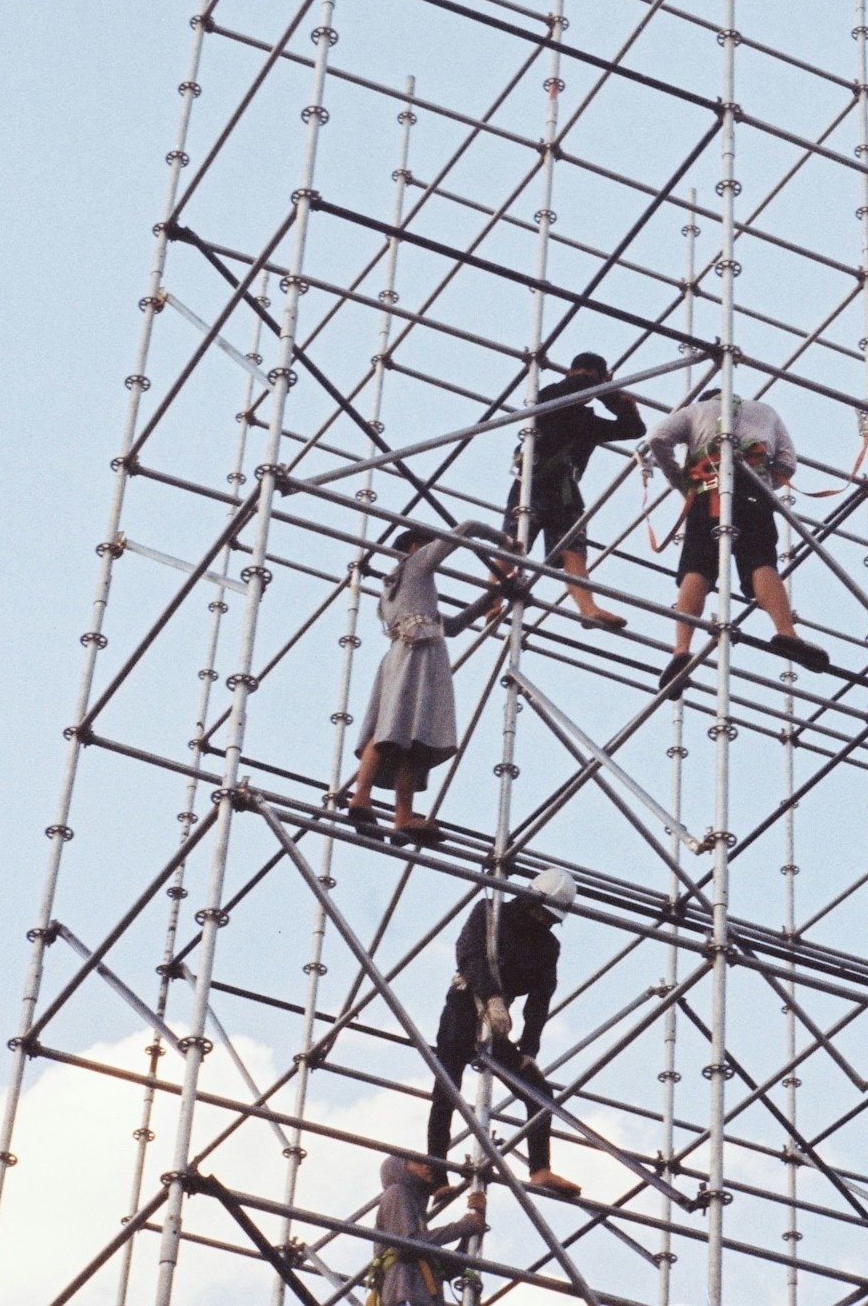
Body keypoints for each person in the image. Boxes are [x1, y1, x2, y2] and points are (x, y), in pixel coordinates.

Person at [643, 387, 830, 690]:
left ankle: (681, 649)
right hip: (752, 494)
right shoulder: (765, 411)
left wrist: (680, 479)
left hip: (708, 494)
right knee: (760, 562)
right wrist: (763, 479)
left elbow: (657, 438)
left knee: (696, 567)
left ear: (706, 398)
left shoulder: (695, 411)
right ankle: (786, 631)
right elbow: (787, 463)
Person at [426, 868, 581, 1200]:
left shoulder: (547, 945)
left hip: (498, 1025)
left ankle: (540, 1169)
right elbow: (468, 955)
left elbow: (541, 997)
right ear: (528, 899)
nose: (542, 920)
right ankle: (436, 1174)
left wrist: (529, 1049)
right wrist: (492, 996)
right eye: (540, 912)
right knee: (448, 1087)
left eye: (549, 917)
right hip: (466, 1004)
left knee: (539, 1094)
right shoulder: (491, 913)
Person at [348, 521, 504, 844]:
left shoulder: (395, 590)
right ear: (415, 547)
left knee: (401, 731)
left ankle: (372, 800)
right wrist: (506, 542)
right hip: (419, 652)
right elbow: (467, 528)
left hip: (402, 652)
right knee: (412, 732)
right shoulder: (417, 565)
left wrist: (494, 595)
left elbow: (455, 625)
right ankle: (392, 811)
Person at [502, 351, 644, 631]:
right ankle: (492, 601)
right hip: (534, 481)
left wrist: (613, 398)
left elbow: (634, 429)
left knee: (573, 551)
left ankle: (588, 608)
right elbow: (577, 387)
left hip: (564, 490)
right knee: (513, 545)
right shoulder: (551, 396)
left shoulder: (586, 420)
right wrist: (606, 388)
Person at [369, 1153, 485, 1306]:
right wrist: (461, 1227)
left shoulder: (417, 1218)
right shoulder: (396, 1192)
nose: (427, 1165)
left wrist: (474, 1228)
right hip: (404, 1296)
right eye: (417, 1162)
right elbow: (406, 1246)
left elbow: (449, 1269)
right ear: (400, 1169)